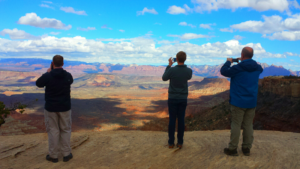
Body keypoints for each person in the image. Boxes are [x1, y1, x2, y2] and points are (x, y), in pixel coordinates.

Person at [220, 47, 263, 156]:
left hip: (238, 102)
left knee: (236, 125)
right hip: (251, 102)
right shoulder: (257, 68)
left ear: (242, 55)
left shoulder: (238, 68)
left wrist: (228, 62)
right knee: (248, 125)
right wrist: (246, 60)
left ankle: (233, 149)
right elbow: (260, 68)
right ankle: (246, 148)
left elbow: (224, 71)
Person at [36, 55, 74, 163]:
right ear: (63, 63)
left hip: (51, 108)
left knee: (53, 130)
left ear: (53, 63)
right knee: (65, 129)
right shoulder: (68, 75)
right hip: (65, 107)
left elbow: (38, 84)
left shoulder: (48, 76)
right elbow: (70, 81)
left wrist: (48, 72)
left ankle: (53, 156)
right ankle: (66, 154)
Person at [162, 51, 193, 149]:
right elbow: (188, 77)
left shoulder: (172, 70)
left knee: (172, 120)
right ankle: (180, 143)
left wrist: (169, 66)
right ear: (185, 59)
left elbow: (164, 78)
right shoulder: (188, 71)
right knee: (181, 120)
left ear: (177, 59)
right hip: (183, 99)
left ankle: (171, 143)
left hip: (172, 98)